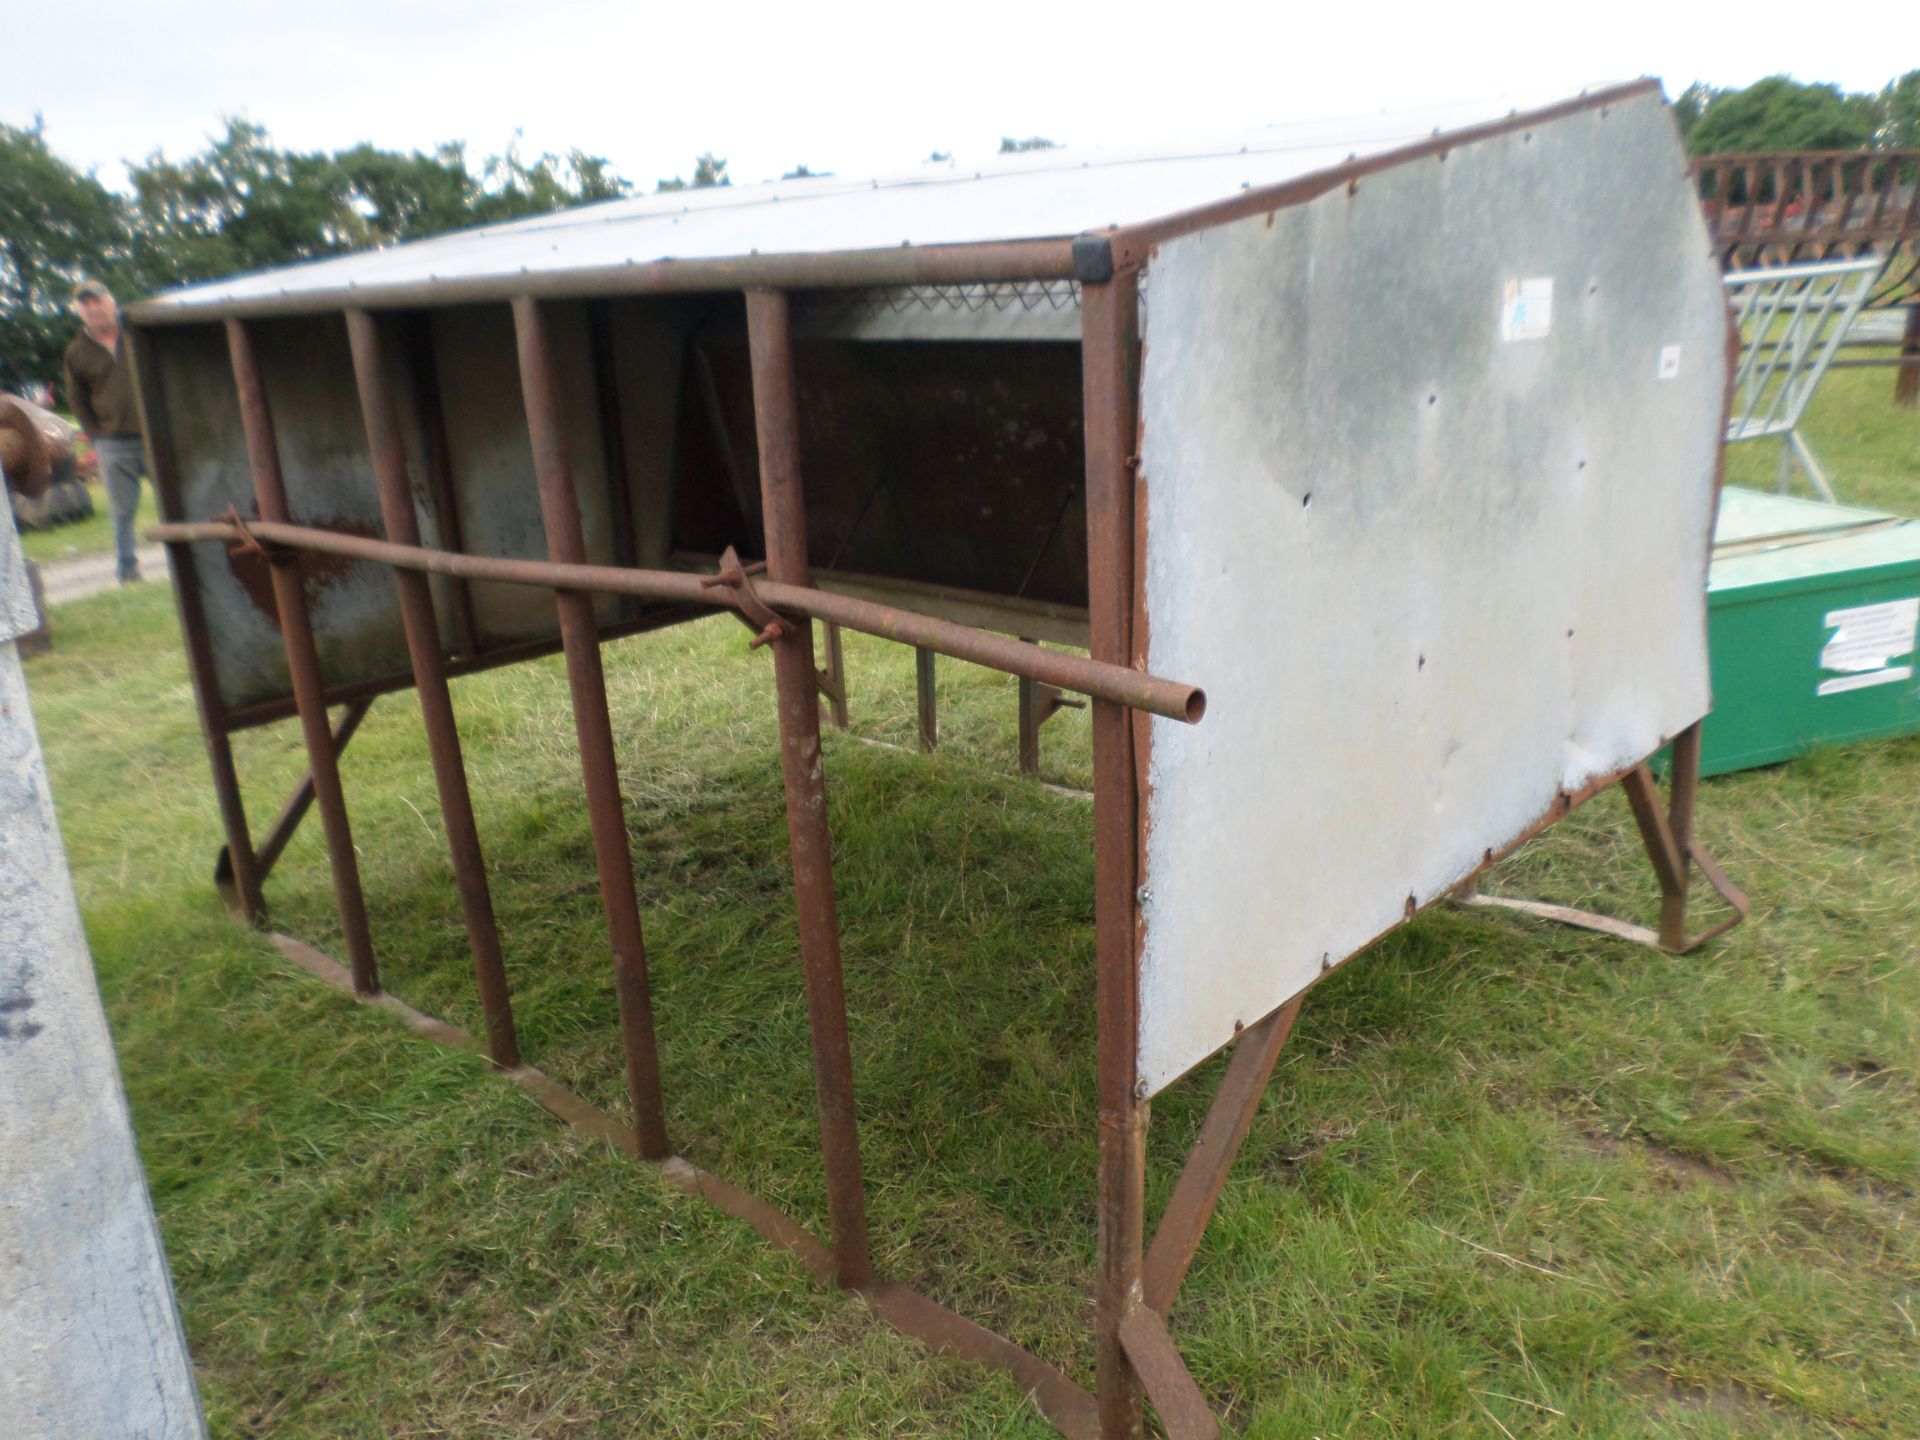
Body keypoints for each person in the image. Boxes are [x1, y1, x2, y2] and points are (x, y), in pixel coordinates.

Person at [62, 280, 146, 584]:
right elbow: (77, 399)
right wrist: (97, 436)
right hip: (113, 443)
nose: (92, 308)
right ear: (78, 311)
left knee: (178, 502)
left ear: (111, 302)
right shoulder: (76, 352)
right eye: (85, 304)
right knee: (122, 513)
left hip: (155, 435)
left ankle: (189, 566)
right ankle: (128, 572)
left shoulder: (138, 332)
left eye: (97, 301)